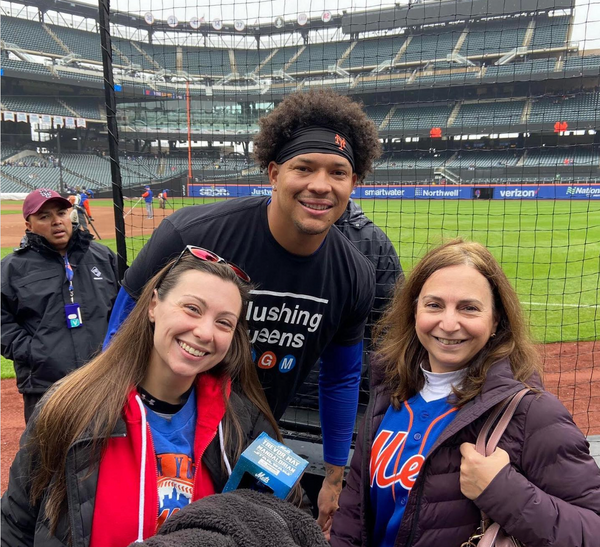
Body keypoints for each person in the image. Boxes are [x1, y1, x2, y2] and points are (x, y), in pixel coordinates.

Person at [103, 89, 381, 533]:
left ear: (353, 182)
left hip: (256, 441)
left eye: (338, 172)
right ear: (274, 172)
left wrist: (333, 472)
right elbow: (120, 333)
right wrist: (107, 427)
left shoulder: (355, 276)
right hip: (164, 429)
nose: (321, 185)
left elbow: (342, 377)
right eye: (303, 168)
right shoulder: (190, 233)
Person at [330, 239, 600, 547]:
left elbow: (593, 530)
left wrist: (506, 491)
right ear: (414, 309)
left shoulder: (533, 413)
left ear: (496, 319)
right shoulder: (389, 389)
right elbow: (353, 514)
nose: (448, 323)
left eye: (469, 308)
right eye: (434, 305)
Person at [1, 252, 281, 546]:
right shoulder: (70, 406)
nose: (204, 332)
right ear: (153, 305)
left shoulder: (244, 421)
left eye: (224, 323)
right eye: (192, 308)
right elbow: (14, 525)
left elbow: (286, 516)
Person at [1, 189, 119, 423]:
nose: (56, 221)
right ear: (29, 225)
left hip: (105, 381)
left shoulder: (102, 256)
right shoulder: (11, 269)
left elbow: (125, 310)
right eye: (44, 216)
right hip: (46, 387)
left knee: (107, 454)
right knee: (48, 457)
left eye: (62, 212)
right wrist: (35, 352)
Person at [290, 199, 402, 409]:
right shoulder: (264, 232)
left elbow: (391, 323)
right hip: (274, 394)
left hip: (347, 395)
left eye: (336, 172)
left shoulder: (371, 240)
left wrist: (368, 377)